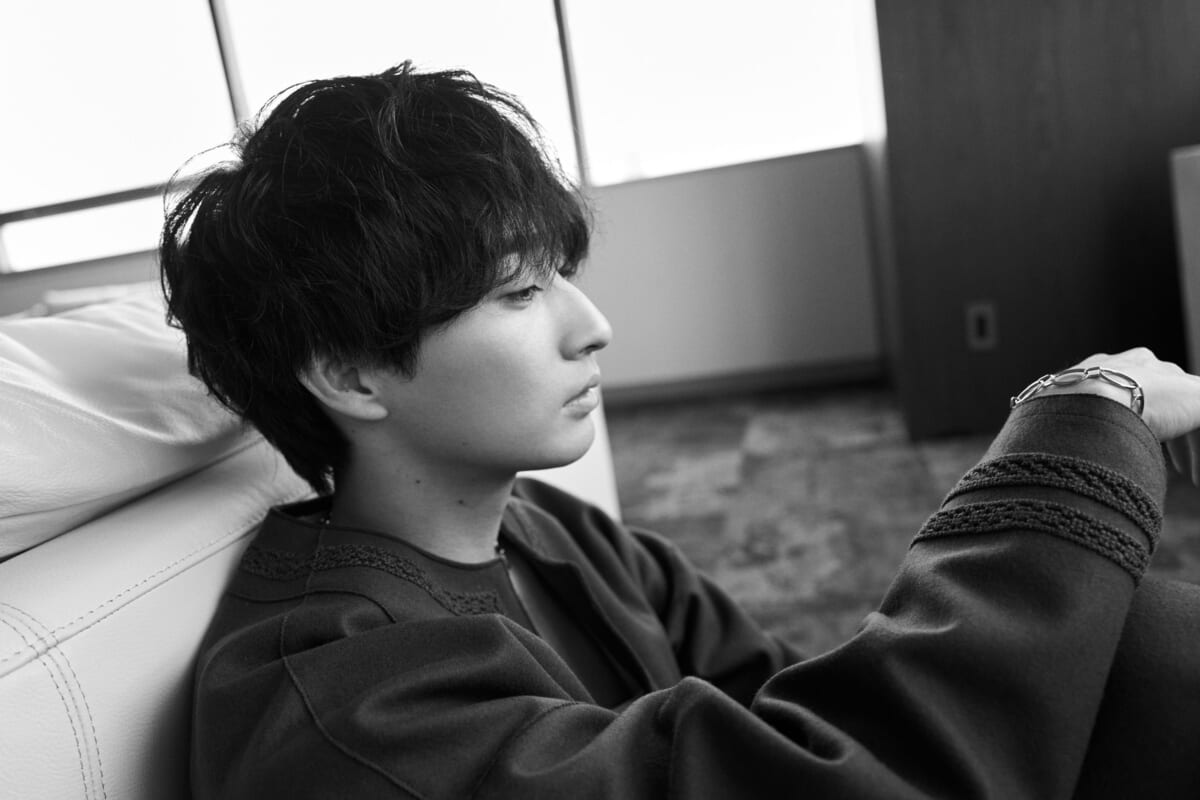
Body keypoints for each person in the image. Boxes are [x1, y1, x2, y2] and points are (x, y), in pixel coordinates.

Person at [161, 62, 1200, 799]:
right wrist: (1082, 418)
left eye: (561, 274)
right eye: (518, 293)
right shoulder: (337, 704)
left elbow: (798, 705)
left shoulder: (557, 532)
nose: (592, 326)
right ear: (349, 372)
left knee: (1130, 643)